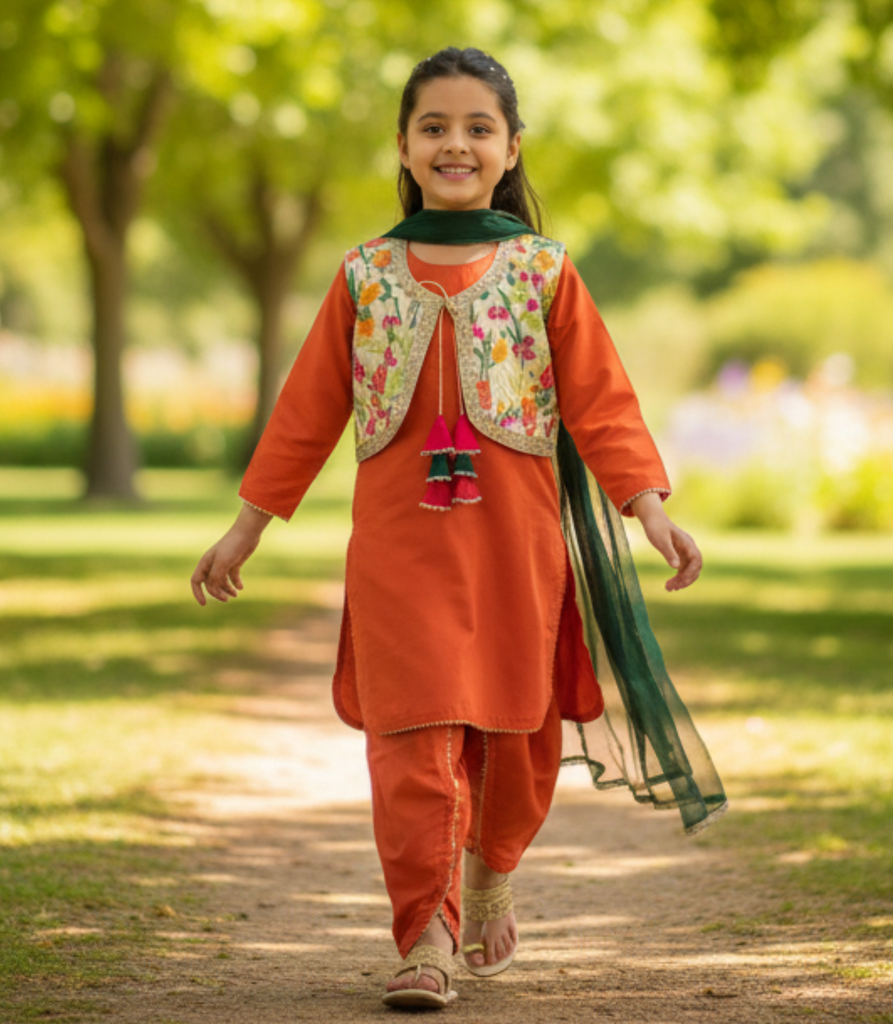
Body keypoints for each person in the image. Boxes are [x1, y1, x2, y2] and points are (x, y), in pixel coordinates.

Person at [191, 46, 715, 1011]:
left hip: (516, 556)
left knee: (517, 743)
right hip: (400, 554)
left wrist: (649, 511)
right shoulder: (364, 276)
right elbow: (307, 415)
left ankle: (490, 874)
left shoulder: (545, 272)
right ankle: (424, 935)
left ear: (512, 148)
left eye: (478, 127)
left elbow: (603, 407)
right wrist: (246, 528)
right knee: (410, 741)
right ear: (403, 145)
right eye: (434, 126)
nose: (456, 143)